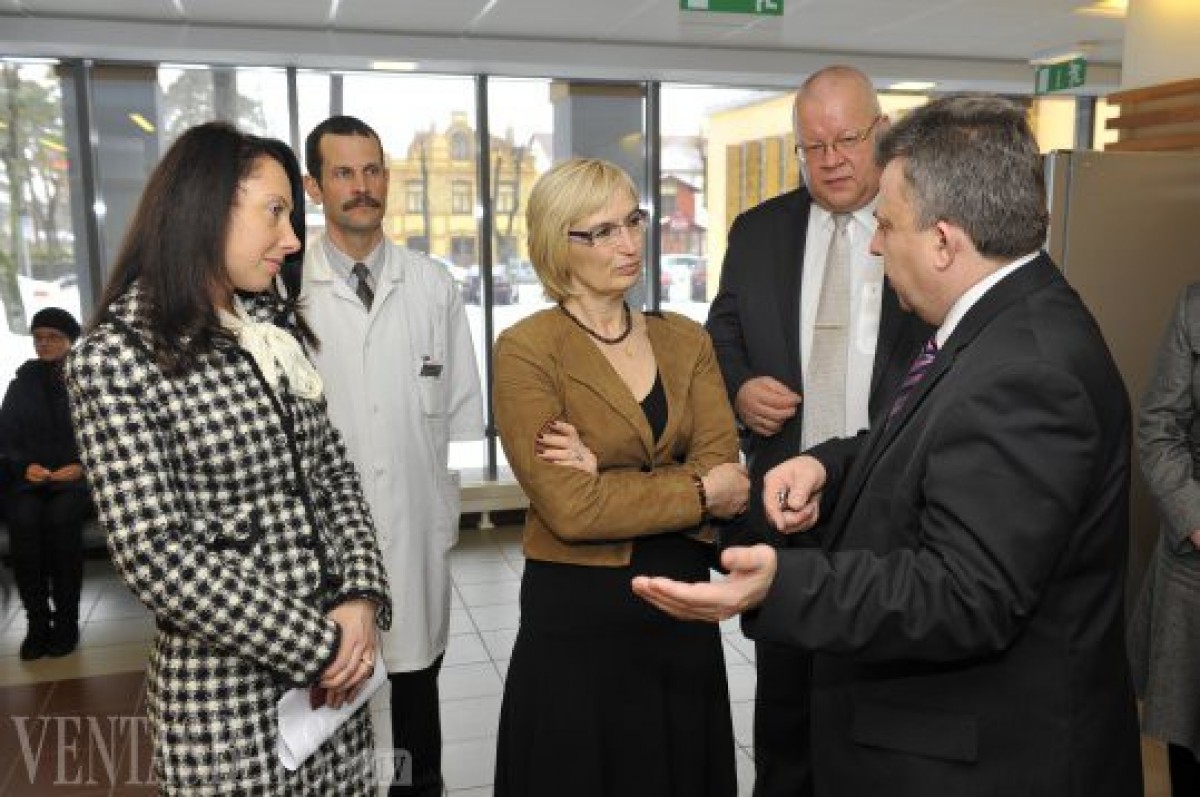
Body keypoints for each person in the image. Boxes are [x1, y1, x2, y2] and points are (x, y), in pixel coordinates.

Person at [634, 94, 1144, 796]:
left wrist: (787, 582)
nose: (874, 246)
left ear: (944, 241)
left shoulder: (1027, 369)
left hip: (984, 763)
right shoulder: (1002, 321)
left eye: (886, 224)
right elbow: (936, 446)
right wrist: (827, 465)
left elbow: (966, 592)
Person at [65, 122, 392, 794]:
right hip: (228, 708)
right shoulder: (114, 358)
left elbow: (331, 472)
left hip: (333, 697)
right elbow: (155, 555)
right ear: (205, 210)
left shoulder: (266, 324)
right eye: (274, 212)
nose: (292, 239)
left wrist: (360, 597)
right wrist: (320, 644)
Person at [491, 157, 749, 796]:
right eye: (602, 231)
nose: (629, 243)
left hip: (681, 606)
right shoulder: (527, 349)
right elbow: (572, 509)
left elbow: (727, 472)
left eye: (633, 221)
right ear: (558, 243)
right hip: (579, 620)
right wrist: (693, 489)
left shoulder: (685, 340)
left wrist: (605, 479)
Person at [705, 64, 929, 797]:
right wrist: (741, 388)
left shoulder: (921, 231)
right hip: (785, 510)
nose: (830, 160)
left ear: (882, 131)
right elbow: (722, 334)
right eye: (812, 146)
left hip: (890, 508)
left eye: (847, 140)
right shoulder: (759, 231)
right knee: (786, 719)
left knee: (878, 715)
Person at [300, 114, 484, 797]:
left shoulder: (432, 285)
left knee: (415, 694)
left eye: (372, 170)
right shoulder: (286, 292)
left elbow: (456, 408)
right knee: (325, 702)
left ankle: (420, 786)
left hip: (412, 530)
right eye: (343, 172)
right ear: (314, 187)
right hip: (320, 541)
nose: (362, 185)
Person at [1129, 281, 1200, 796]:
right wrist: (1194, 519)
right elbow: (1158, 427)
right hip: (1194, 565)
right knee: (1187, 739)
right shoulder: (1195, 306)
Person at [0, 306, 91, 660]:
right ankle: (37, 622)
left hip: (77, 481)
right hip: (29, 481)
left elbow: (106, 434)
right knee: (23, 520)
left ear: (71, 340)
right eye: (38, 338)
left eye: (53, 337)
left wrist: (82, 466)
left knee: (60, 519)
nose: (44, 344)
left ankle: (66, 622)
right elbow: (6, 437)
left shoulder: (88, 379)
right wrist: (25, 466)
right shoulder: (21, 383)